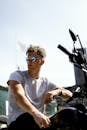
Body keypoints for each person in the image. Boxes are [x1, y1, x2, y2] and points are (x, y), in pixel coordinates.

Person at [7, 45, 73, 130]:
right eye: (28, 59)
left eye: (32, 59)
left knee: (69, 115)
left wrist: (56, 92)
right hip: (18, 122)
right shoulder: (17, 75)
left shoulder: (45, 82)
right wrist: (36, 114)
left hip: (38, 122)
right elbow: (19, 96)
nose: (29, 62)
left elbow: (70, 95)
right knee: (28, 118)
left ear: (42, 62)